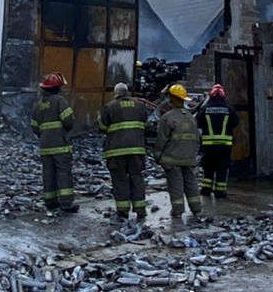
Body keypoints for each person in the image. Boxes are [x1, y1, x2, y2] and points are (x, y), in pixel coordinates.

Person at [99, 81, 149, 224]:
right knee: (137, 178)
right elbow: (145, 123)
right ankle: (140, 210)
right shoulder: (140, 105)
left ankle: (123, 211)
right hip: (137, 150)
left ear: (116, 94)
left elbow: (102, 127)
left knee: (120, 180)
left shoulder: (109, 106)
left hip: (116, 151)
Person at [152, 83, 203, 223]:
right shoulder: (191, 118)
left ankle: (178, 211)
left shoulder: (167, 117)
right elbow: (197, 138)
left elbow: (161, 140)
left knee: (176, 185)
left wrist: (157, 156)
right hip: (189, 158)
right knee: (191, 183)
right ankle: (196, 208)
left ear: (171, 98)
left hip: (172, 159)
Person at [29, 73, 77, 214]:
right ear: (57, 88)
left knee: (48, 173)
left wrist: (44, 135)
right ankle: (66, 203)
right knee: (63, 172)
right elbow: (68, 120)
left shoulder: (38, 105)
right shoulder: (59, 101)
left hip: (45, 146)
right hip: (60, 144)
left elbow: (34, 127)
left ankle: (50, 202)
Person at [195, 82, 238, 199]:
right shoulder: (229, 110)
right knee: (222, 169)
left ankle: (206, 190)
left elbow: (198, 122)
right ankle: (220, 192)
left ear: (211, 95)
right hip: (224, 146)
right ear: (223, 96)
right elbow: (235, 123)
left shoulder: (205, 109)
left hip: (209, 147)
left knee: (208, 169)